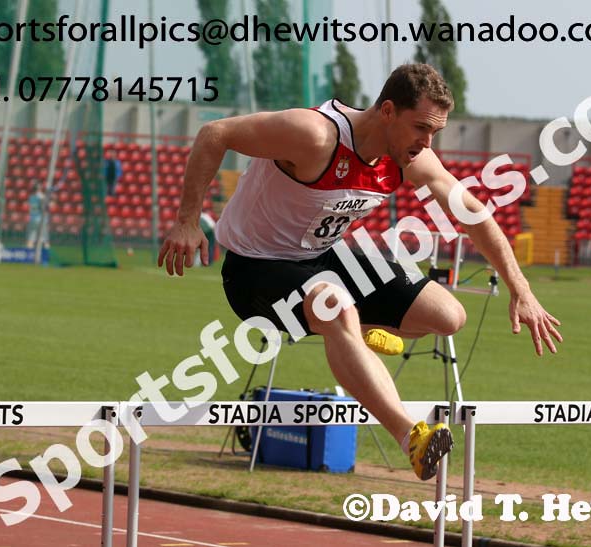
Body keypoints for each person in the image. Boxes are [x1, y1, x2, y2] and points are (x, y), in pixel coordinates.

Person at [157, 64, 562, 481]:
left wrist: (521, 289)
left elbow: (472, 211)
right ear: (387, 110)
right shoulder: (314, 135)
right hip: (254, 269)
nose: (426, 143)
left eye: (435, 133)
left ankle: (357, 332)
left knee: (447, 316)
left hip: (322, 259)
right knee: (336, 308)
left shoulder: (409, 158)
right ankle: (412, 438)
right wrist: (188, 220)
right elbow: (215, 134)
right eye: (421, 128)